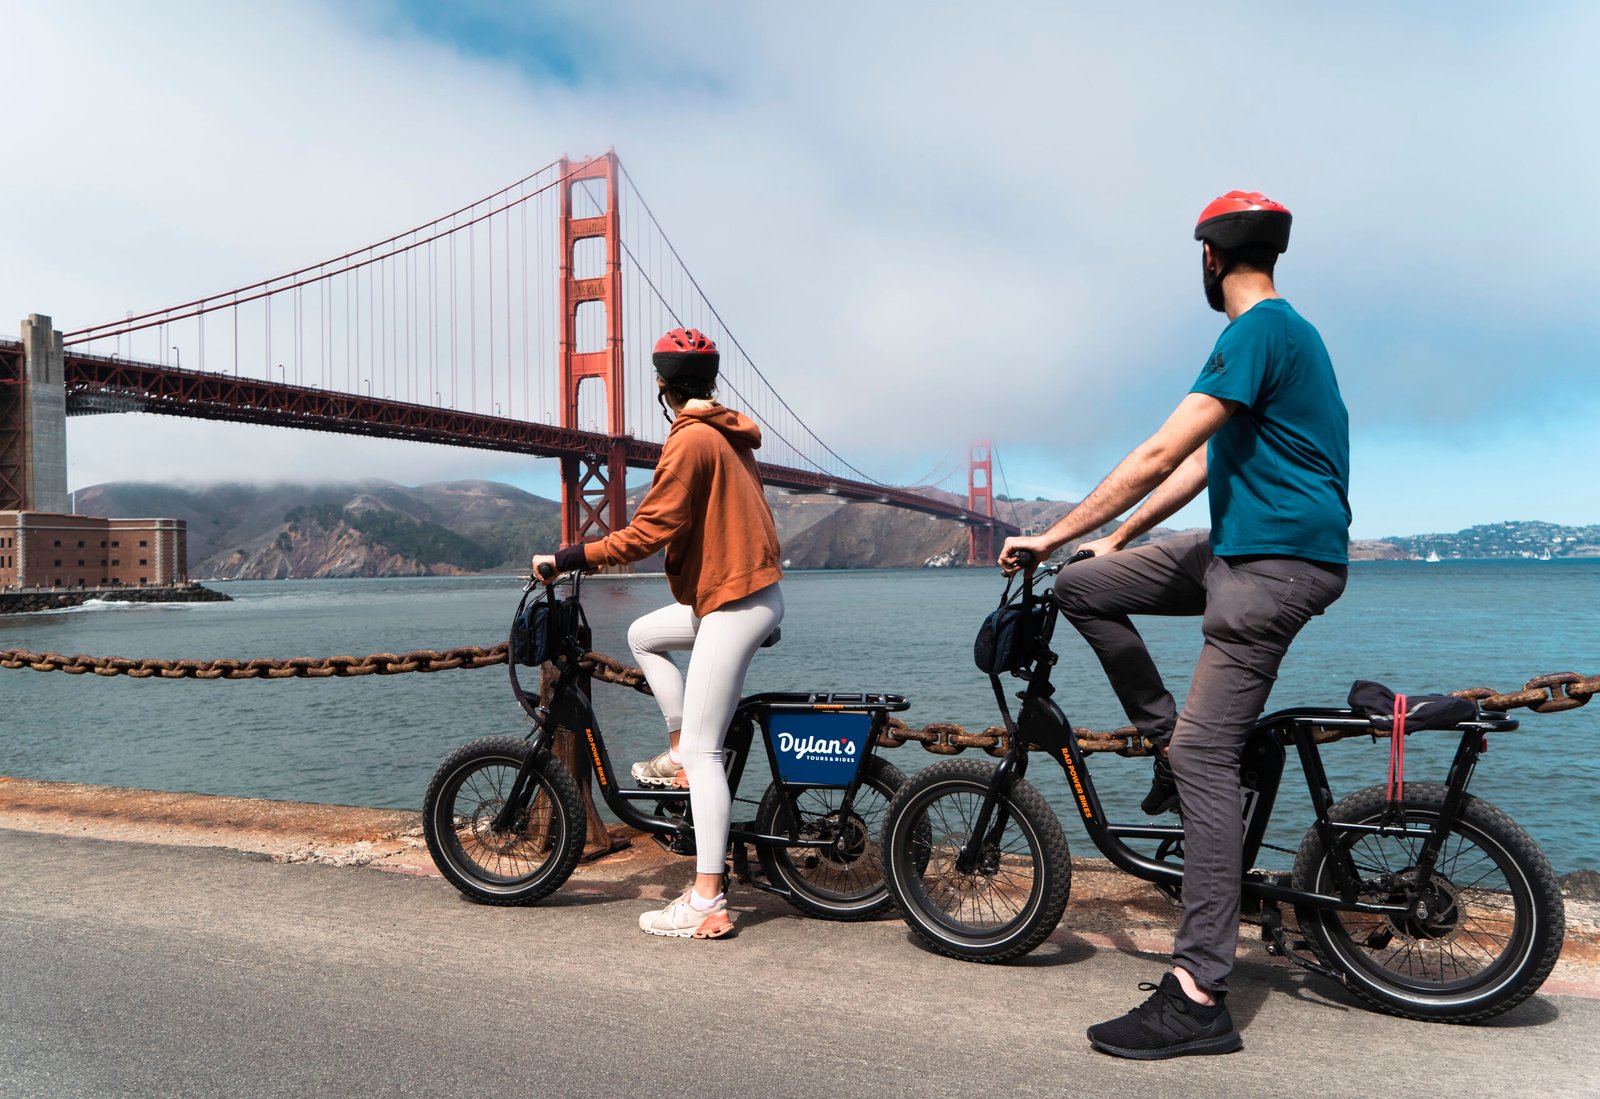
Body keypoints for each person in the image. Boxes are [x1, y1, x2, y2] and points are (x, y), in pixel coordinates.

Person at [999, 190, 1350, 1059]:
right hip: (1236, 548)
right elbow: (1199, 462)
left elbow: (1160, 448)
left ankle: (1197, 994)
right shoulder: (1277, 339)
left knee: (1206, 755)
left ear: (1209, 257)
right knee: (1088, 591)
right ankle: (1168, 740)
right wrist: (1112, 542)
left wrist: (1052, 533)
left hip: (1272, 567)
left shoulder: (1259, 331)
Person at [532, 327, 784, 940]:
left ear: (659, 385)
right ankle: (676, 747)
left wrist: (568, 558)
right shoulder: (726, 431)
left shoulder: (690, 440)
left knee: (706, 757)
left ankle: (706, 899)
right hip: (744, 591)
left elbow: (649, 533)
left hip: (734, 600)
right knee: (645, 633)